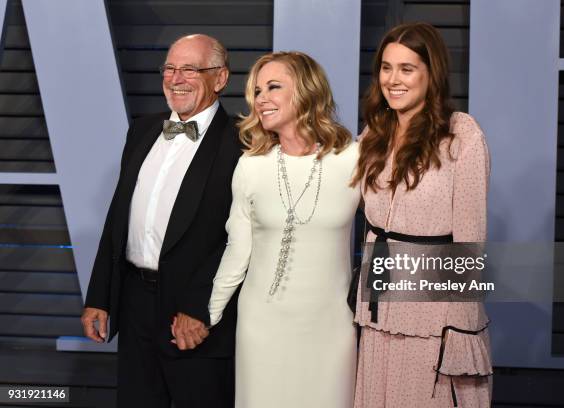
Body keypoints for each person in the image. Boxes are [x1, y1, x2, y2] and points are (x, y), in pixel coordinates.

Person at [80, 34, 242, 408]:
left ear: (220, 79)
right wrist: (100, 297)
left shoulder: (243, 142)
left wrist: (201, 308)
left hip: (195, 315)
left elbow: (240, 238)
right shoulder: (142, 129)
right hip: (134, 303)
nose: (176, 78)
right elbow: (119, 218)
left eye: (190, 69)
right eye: (169, 68)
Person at [206, 51, 360, 408]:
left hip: (331, 327)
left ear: (307, 91)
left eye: (273, 87)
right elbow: (238, 249)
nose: (261, 100)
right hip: (262, 326)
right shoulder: (250, 165)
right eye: (257, 91)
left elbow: (391, 227)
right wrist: (209, 314)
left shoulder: (354, 159)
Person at [351, 23, 493, 407]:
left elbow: (470, 238)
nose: (392, 80)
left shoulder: (462, 134)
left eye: (406, 69)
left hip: (431, 313)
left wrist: (461, 331)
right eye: (386, 67)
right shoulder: (373, 134)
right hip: (377, 303)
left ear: (432, 74)